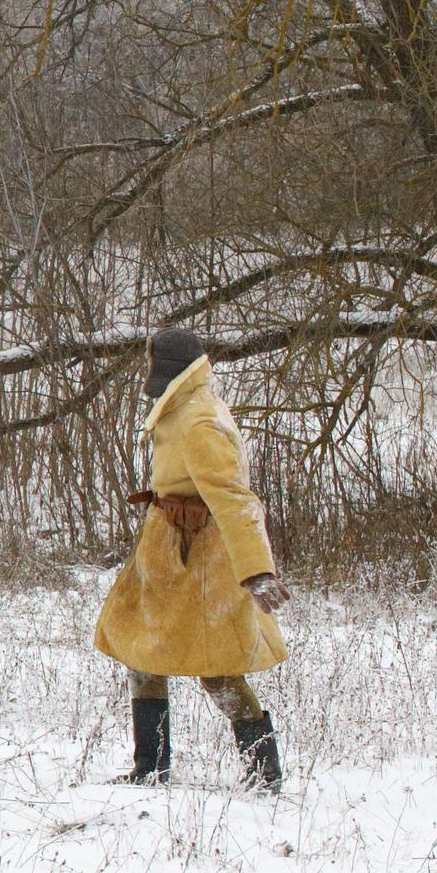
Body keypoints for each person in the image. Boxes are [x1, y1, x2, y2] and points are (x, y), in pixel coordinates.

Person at [96, 328, 290, 791]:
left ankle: (265, 775)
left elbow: (232, 498)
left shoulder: (198, 420)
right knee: (143, 652)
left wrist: (256, 569)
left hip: (200, 558)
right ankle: (151, 768)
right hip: (169, 554)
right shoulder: (183, 409)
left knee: (217, 667)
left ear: (167, 366)